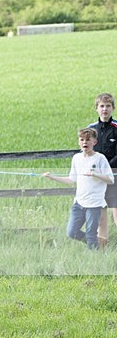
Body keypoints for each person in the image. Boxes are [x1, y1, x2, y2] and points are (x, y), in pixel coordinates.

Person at [44, 127, 114, 250]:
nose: (84, 142)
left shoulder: (100, 158)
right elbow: (71, 179)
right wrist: (52, 177)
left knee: (91, 233)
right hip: (79, 203)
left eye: (88, 140)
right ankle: (99, 241)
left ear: (94, 142)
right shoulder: (76, 158)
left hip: (94, 204)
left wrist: (96, 174)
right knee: (71, 232)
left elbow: (110, 179)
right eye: (82, 140)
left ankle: (94, 255)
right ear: (79, 142)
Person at [88, 92, 117, 248]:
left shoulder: (116, 128)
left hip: (114, 175)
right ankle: (103, 246)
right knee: (100, 213)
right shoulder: (91, 129)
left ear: (113, 108)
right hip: (96, 178)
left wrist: (107, 168)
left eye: (108, 106)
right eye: (101, 106)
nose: (104, 109)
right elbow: (86, 151)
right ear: (96, 108)